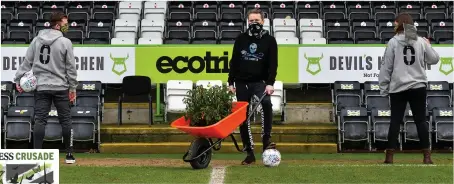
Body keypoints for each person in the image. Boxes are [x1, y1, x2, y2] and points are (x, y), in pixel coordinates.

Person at [13, 12, 78, 164]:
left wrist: (17, 79)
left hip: (41, 86)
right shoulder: (65, 42)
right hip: (61, 87)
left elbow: (26, 62)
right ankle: (69, 155)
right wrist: (73, 88)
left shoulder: (36, 40)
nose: (67, 25)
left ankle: (37, 155)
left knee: (40, 120)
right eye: (65, 23)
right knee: (66, 121)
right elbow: (71, 69)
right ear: (57, 25)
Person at [379, 12, 440, 164]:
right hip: (418, 85)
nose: (394, 25)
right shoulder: (420, 41)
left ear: (399, 24)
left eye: (395, 23)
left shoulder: (393, 42)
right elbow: (434, 59)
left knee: (395, 121)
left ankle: (390, 157)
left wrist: (384, 88)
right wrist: (428, 44)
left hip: (398, 86)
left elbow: (386, 67)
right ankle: (427, 157)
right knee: (421, 121)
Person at [227, 8, 278, 165]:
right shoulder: (241, 39)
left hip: (259, 83)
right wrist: (230, 82)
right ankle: (249, 152)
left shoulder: (269, 40)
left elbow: (273, 64)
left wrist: (270, 83)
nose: (254, 23)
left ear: (262, 22)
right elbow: (234, 61)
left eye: (256, 21)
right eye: (251, 21)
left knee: (266, 104)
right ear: (247, 22)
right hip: (241, 83)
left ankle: (266, 139)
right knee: (243, 117)